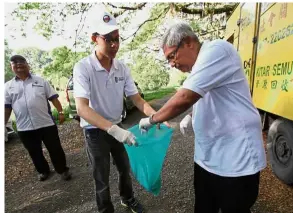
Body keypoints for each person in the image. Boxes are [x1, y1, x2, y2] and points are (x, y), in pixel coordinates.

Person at [138, 22, 266, 213]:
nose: (172, 64)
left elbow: (185, 97)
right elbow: (210, 98)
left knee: (235, 208)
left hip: (236, 158)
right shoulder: (199, 67)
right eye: (168, 60)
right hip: (207, 159)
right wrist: (191, 115)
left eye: (172, 56)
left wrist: (152, 119)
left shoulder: (217, 50)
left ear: (189, 42)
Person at [73, 11, 167, 213]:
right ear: (94, 39)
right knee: (101, 176)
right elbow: (82, 108)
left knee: (124, 168)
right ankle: (105, 209)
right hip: (95, 131)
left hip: (117, 126)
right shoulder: (83, 67)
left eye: (117, 39)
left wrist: (156, 117)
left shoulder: (121, 68)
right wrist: (114, 131)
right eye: (109, 39)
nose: (114, 45)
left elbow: (137, 100)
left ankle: (127, 198)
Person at [5, 55, 72, 182]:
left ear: (27, 65)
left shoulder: (40, 81)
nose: (19, 66)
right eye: (16, 64)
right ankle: (43, 171)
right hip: (24, 127)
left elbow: (53, 98)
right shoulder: (8, 86)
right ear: (11, 67)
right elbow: (7, 108)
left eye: (22, 63)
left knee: (55, 149)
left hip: (46, 123)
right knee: (34, 152)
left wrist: (61, 112)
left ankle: (62, 170)